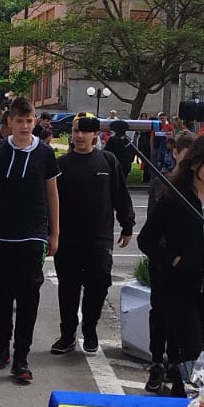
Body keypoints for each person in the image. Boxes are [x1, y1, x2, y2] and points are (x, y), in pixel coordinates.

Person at [137, 135, 204, 397]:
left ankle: (178, 393)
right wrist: (173, 259)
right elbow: (146, 240)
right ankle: (191, 396)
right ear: (195, 164)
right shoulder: (174, 196)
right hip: (177, 287)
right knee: (193, 349)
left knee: (187, 354)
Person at [0, 96, 61, 385]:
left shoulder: (45, 154)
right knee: (2, 293)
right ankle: (2, 347)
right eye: (19, 120)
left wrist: (54, 232)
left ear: (35, 121)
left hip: (33, 233)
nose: (24, 125)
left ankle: (22, 356)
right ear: (9, 122)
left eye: (29, 120)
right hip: (2, 233)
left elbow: (52, 194)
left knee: (28, 294)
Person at [52, 116, 134, 356]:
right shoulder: (61, 164)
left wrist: (127, 224)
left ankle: (90, 328)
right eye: (76, 131)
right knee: (68, 288)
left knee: (98, 283)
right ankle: (67, 334)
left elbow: (120, 194)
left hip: (99, 237)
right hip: (67, 238)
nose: (79, 136)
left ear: (95, 135)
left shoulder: (108, 160)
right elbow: (50, 200)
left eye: (85, 132)